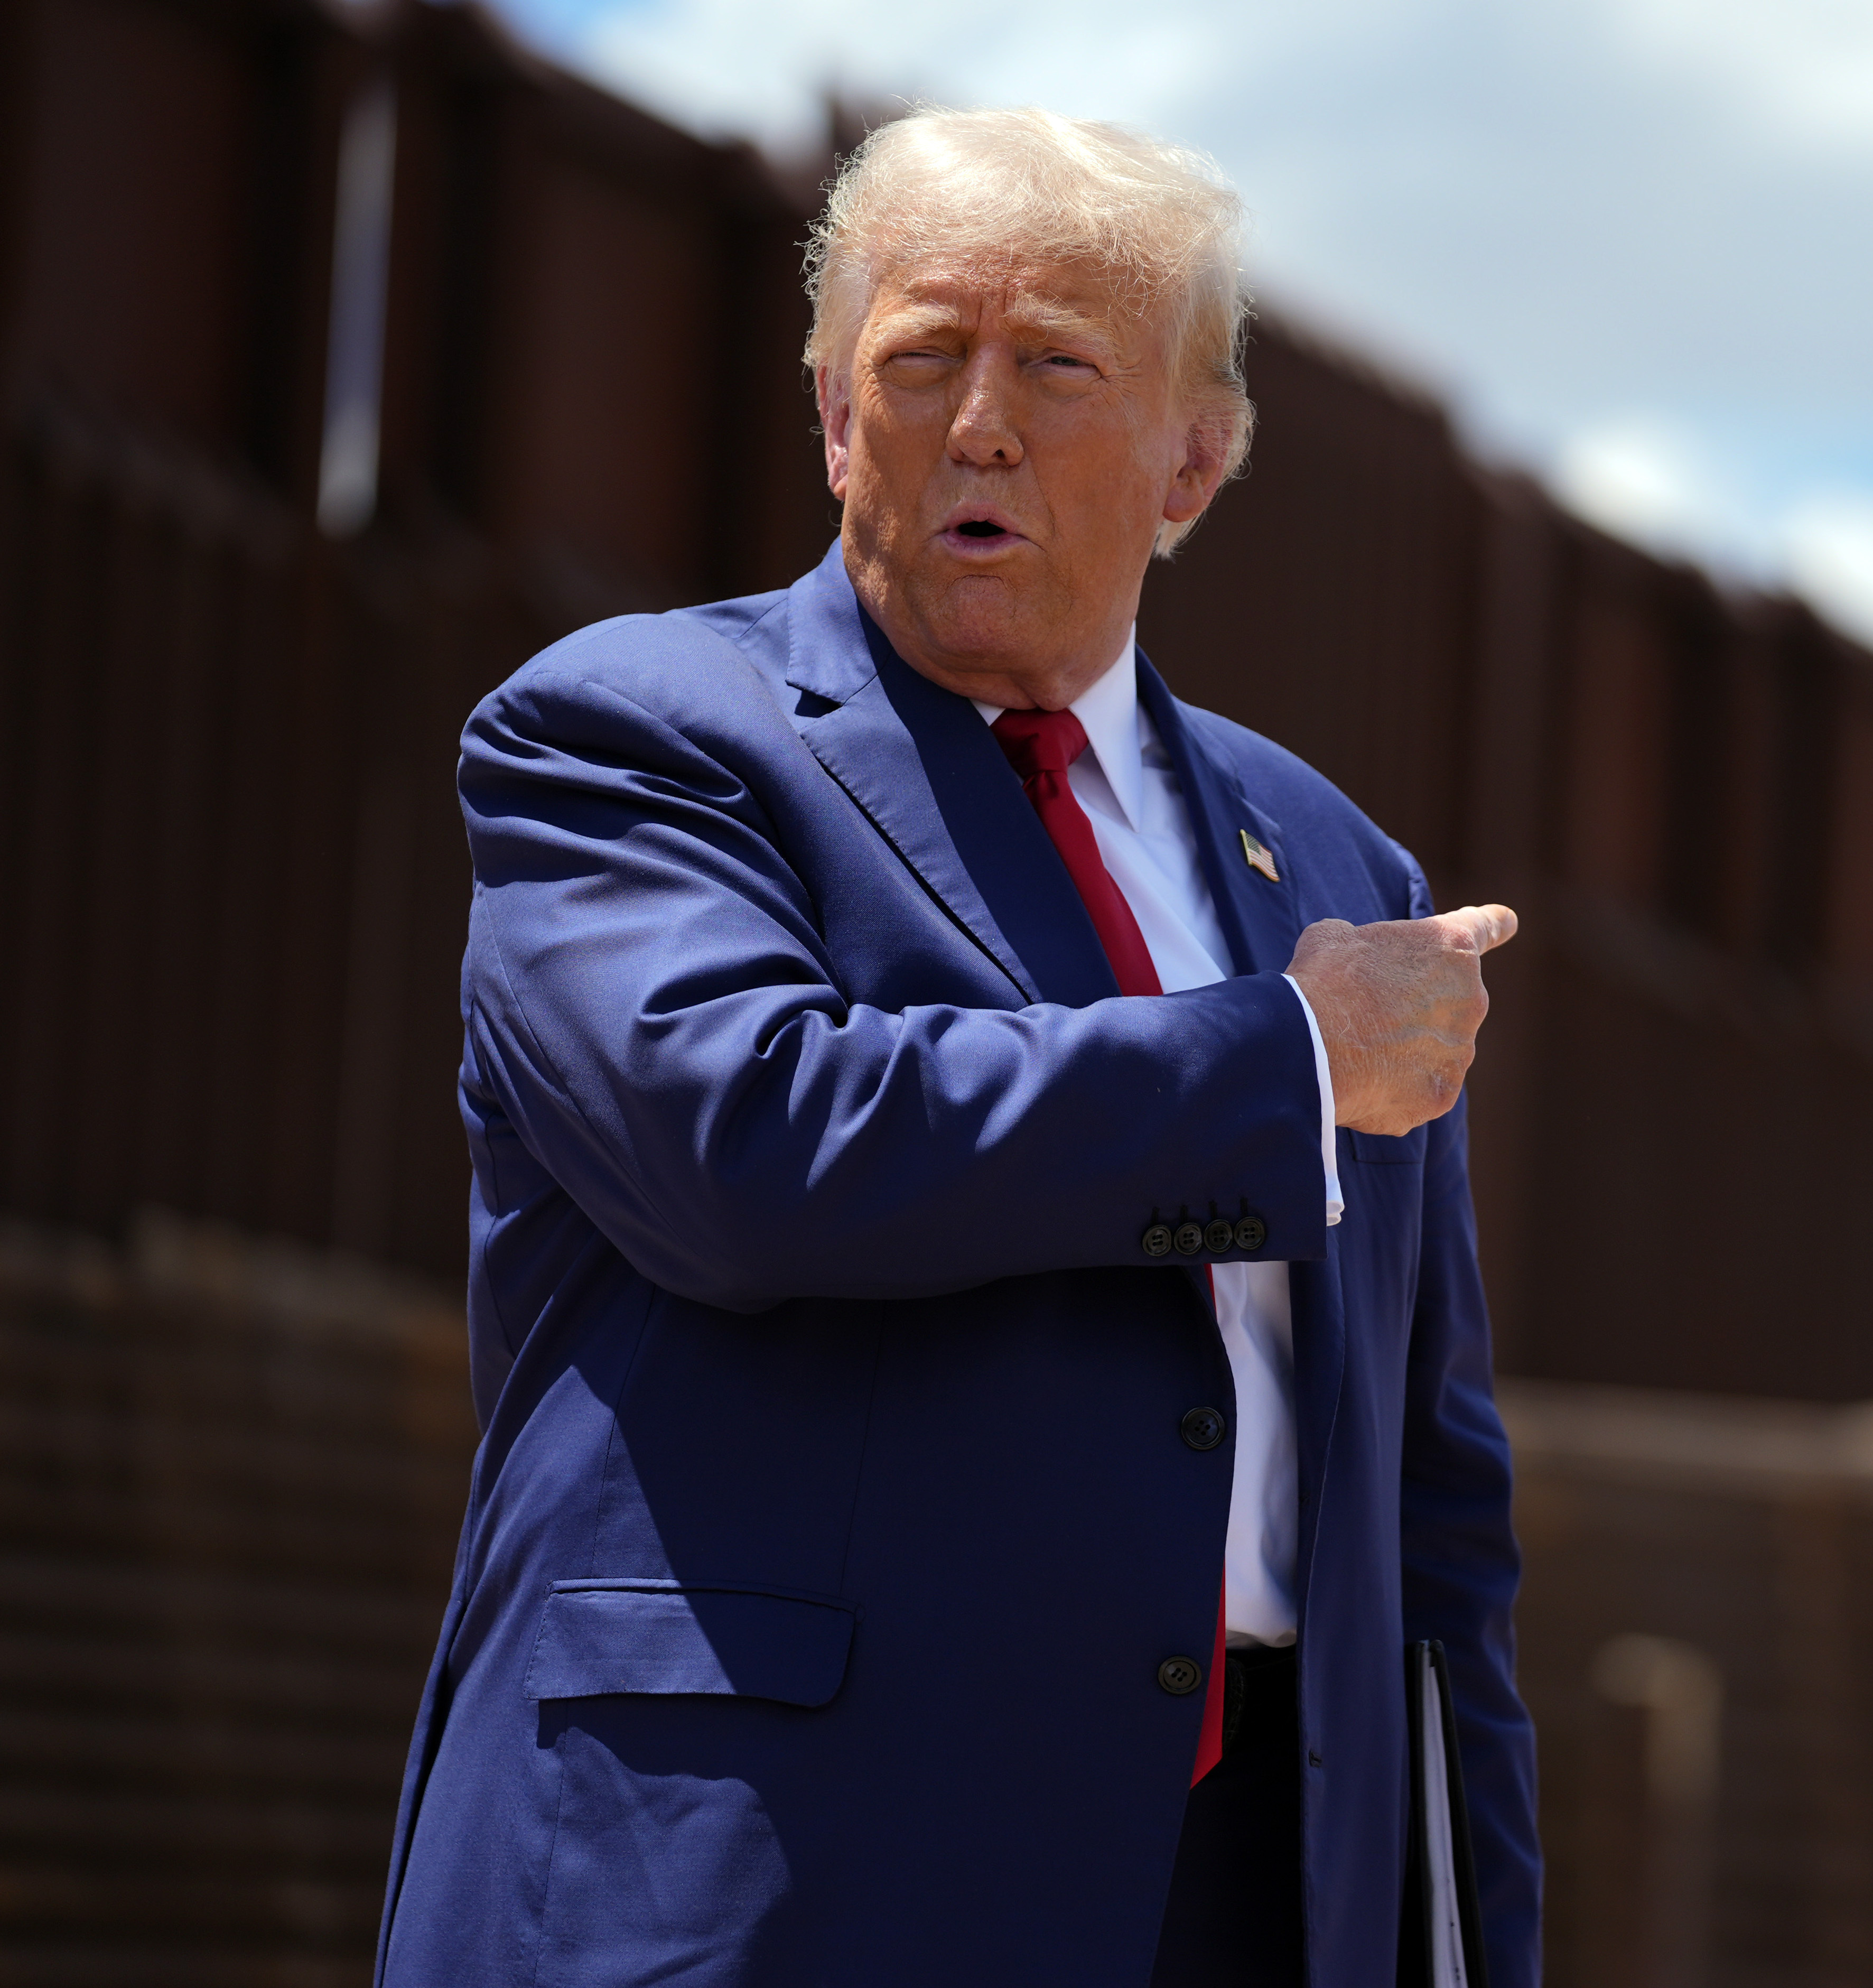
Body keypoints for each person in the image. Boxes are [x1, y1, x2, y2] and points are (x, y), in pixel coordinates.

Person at [374, 106, 1537, 1988]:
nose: (976, 422)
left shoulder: (1331, 862)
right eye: (919, 361)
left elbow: (1431, 1502)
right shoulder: (630, 733)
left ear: (1194, 458)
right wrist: (1281, 1065)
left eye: (1057, 366)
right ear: (835, 418)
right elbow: (751, 1143)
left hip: (1244, 1891)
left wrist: (1471, 1939)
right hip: (768, 1875)